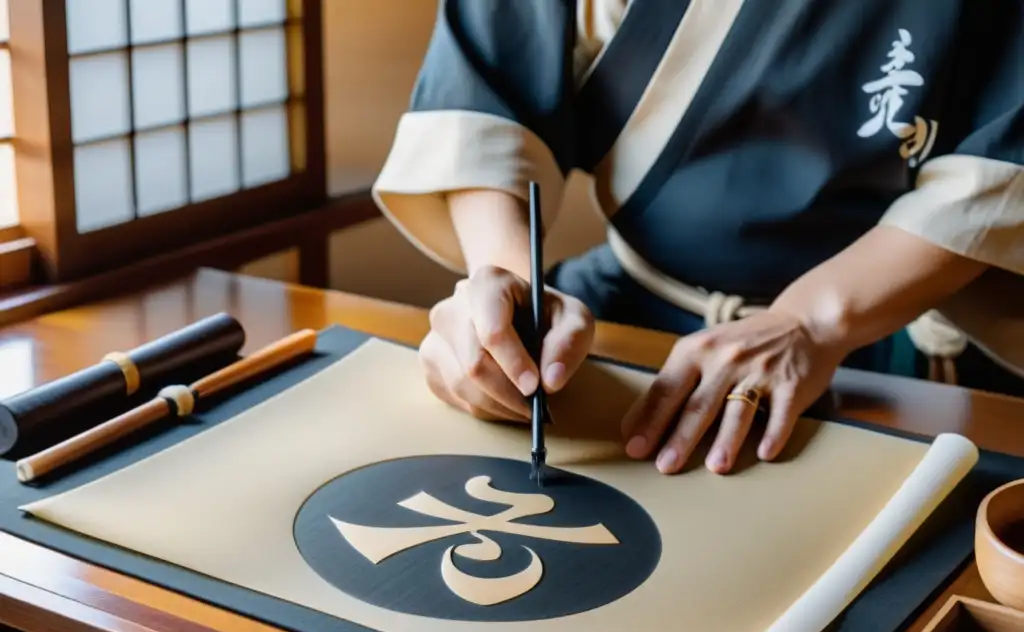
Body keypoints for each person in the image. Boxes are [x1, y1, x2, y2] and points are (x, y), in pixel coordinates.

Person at [372, 0, 1024, 476]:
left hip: (882, 334)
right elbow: (488, 96)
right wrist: (511, 292)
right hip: (618, 319)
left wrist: (812, 322)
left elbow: (998, 168)